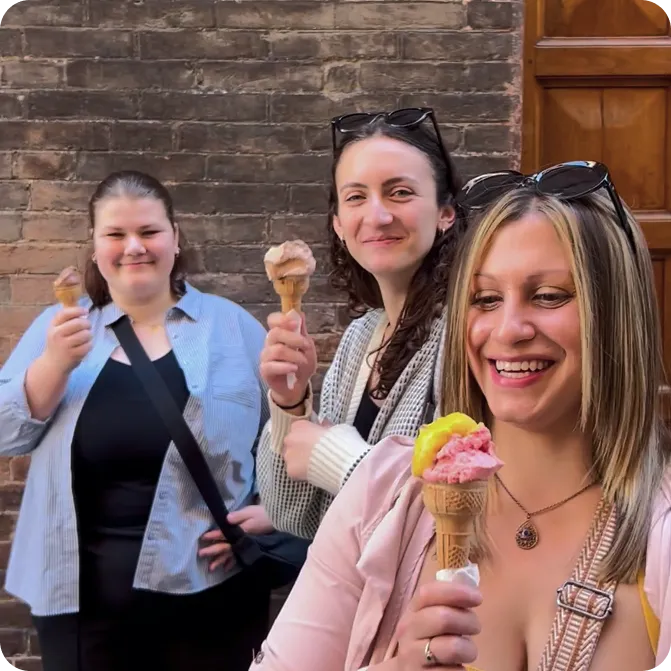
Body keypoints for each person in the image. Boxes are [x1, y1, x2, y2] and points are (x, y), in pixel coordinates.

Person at [250, 162, 671, 670]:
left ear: (616, 313)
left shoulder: (659, 536)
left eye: (549, 296)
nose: (508, 328)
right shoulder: (382, 497)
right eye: (485, 299)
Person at [0, 171, 275, 671]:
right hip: (81, 605)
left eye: (149, 232)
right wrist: (53, 365)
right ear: (95, 245)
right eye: (116, 235)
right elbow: (5, 435)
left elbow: (286, 438)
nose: (134, 248)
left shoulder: (233, 328)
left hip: (211, 593)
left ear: (175, 237)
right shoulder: (58, 328)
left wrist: (275, 513)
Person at [257, 108, 465, 538]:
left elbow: (459, 510)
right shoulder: (360, 339)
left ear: (446, 211)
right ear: (338, 224)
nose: (377, 215)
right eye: (355, 197)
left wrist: (338, 456)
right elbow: (294, 515)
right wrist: (292, 404)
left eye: (400, 192)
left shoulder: (467, 337)